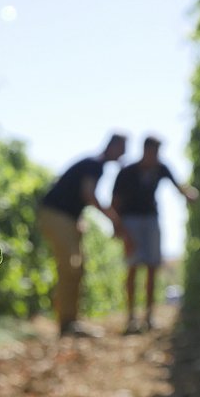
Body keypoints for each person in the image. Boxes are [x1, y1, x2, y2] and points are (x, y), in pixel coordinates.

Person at [39, 135, 130, 337]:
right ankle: (66, 324)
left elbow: (75, 194)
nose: (124, 154)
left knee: (76, 268)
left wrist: (77, 219)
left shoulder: (93, 164)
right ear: (113, 146)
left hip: (65, 217)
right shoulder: (95, 165)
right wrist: (113, 219)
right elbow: (88, 194)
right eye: (123, 148)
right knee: (70, 267)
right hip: (57, 215)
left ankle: (70, 321)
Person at [112, 136, 197, 334]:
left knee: (152, 266)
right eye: (154, 152)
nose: (156, 156)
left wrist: (190, 194)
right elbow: (115, 200)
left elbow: (179, 187)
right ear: (145, 150)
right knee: (132, 267)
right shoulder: (127, 172)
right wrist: (118, 227)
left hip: (151, 220)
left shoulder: (160, 168)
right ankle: (131, 316)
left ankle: (149, 316)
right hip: (130, 221)